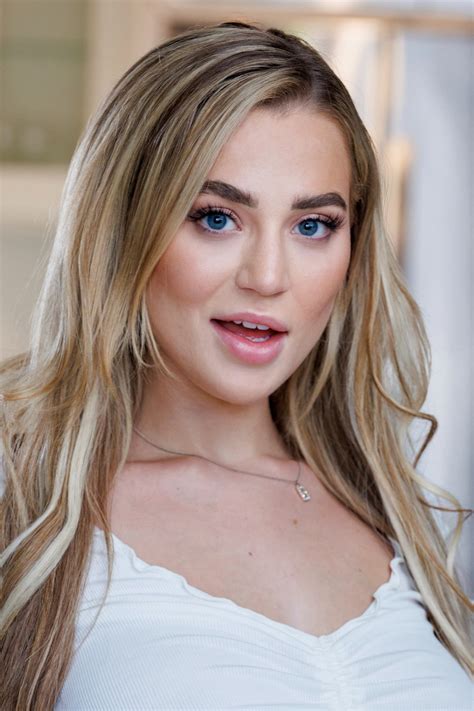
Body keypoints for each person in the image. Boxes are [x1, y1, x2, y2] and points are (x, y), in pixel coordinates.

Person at [0, 21, 472, 710]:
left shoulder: (392, 512)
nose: (269, 277)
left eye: (313, 225)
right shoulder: (28, 512)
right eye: (217, 217)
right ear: (125, 224)